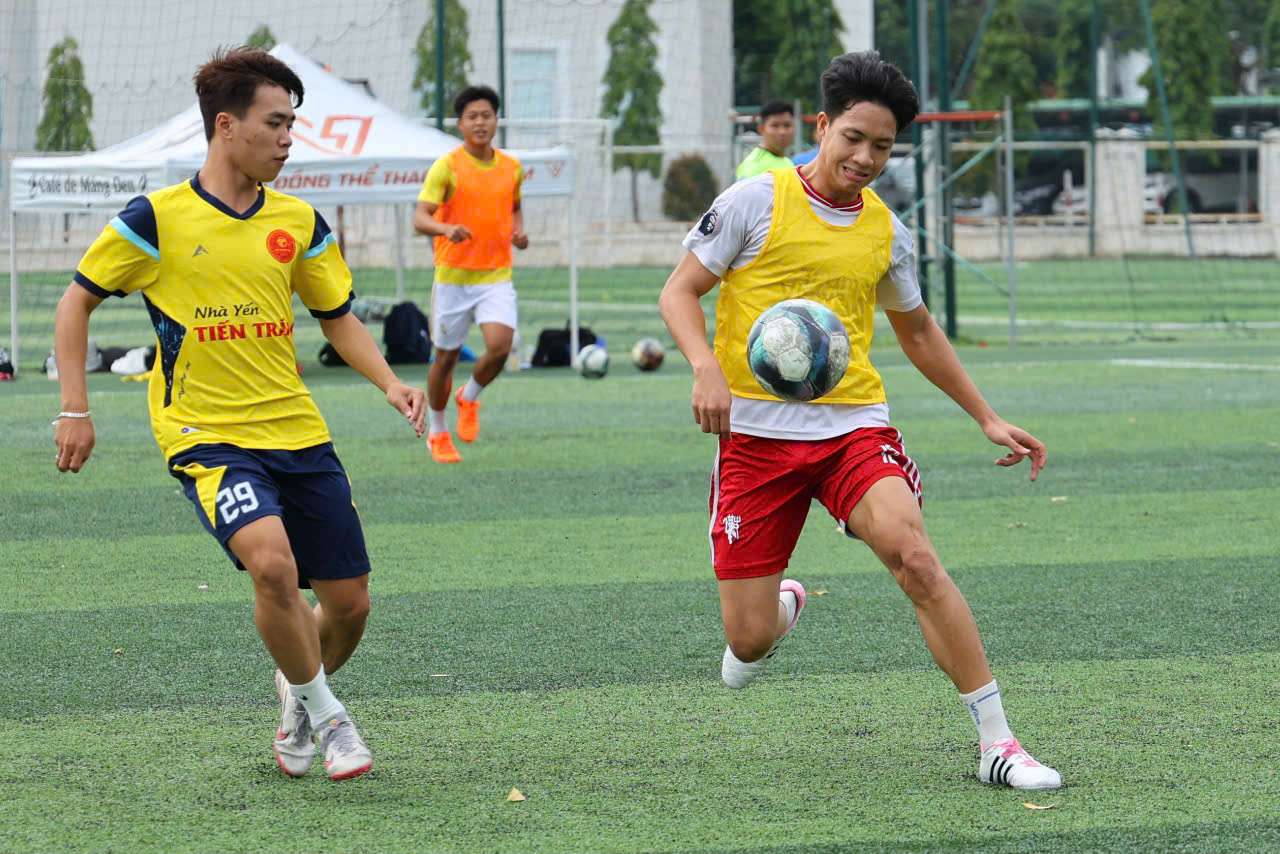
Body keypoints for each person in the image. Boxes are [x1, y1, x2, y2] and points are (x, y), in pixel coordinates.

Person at [658, 51, 1062, 791]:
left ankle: (998, 744)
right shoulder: (756, 199)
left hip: (852, 428)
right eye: (853, 138)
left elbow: (916, 332)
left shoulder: (886, 231)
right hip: (751, 440)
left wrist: (986, 416)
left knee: (914, 557)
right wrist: (706, 367)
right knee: (745, 644)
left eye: (882, 146)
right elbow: (679, 293)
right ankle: (781, 607)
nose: (865, 158)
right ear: (821, 126)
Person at [53, 47, 427, 781]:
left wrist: (389, 381)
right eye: (276, 122)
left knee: (349, 607)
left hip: (296, 429)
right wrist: (75, 408)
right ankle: (331, 717)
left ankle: (297, 686)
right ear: (227, 126)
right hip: (205, 433)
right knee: (272, 566)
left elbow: (337, 317)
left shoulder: (298, 221)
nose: (289, 138)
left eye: (293, 123)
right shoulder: (154, 219)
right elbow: (76, 303)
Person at [413, 84, 528, 464]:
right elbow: (420, 218)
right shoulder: (447, 167)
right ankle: (439, 430)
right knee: (444, 360)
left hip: (495, 275)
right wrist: (446, 229)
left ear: (496, 120)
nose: (480, 122)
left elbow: (513, 208)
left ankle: (469, 397)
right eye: (472, 117)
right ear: (460, 124)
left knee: (499, 347)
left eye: (487, 115)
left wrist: (519, 231)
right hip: (453, 279)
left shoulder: (512, 168)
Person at [735, 100, 796, 181]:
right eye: (775, 126)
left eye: (787, 125)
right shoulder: (753, 166)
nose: (782, 132)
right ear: (761, 129)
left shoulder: (787, 162)